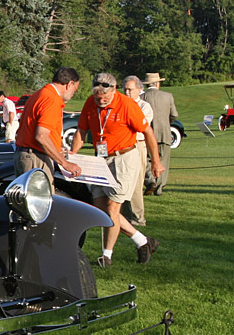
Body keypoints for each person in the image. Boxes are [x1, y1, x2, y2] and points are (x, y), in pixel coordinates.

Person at [71, 72, 164, 267]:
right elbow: (82, 130)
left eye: (104, 98)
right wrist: (72, 154)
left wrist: (156, 161)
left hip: (124, 158)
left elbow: (147, 132)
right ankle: (142, 241)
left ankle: (106, 256)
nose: (101, 101)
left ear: (114, 90)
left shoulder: (127, 105)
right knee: (100, 207)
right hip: (101, 158)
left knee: (113, 207)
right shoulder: (90, 103)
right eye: (98, 97)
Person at [13, 67, 83, 187]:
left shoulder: (39, 94)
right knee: (40, 202)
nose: (73, 95)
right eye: (75, 90)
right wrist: (65, 163)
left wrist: (57, 148)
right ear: (69, 84)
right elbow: (41, 136)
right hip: (36, 157)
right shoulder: (51, 99)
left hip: (26, 155)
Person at [120, 76, 153, 226]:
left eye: (130, 89)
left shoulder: (144, 106)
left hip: (137, 144)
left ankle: (138, 217)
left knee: (136, 181)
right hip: (121, 145)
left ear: (139, 90)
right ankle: (123, 215)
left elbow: (139, 128)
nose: (127, 92)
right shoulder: (120, 104)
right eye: (125, 89)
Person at [141, 72, 178, 196]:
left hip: (146, 134)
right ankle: (159, 188)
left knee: (146, 159)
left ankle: (150, 180)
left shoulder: (142, 98)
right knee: (163, 161)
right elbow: (174, 115)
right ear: (158, 83)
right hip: (164, 134)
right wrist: (166, 123)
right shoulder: (168, 96)